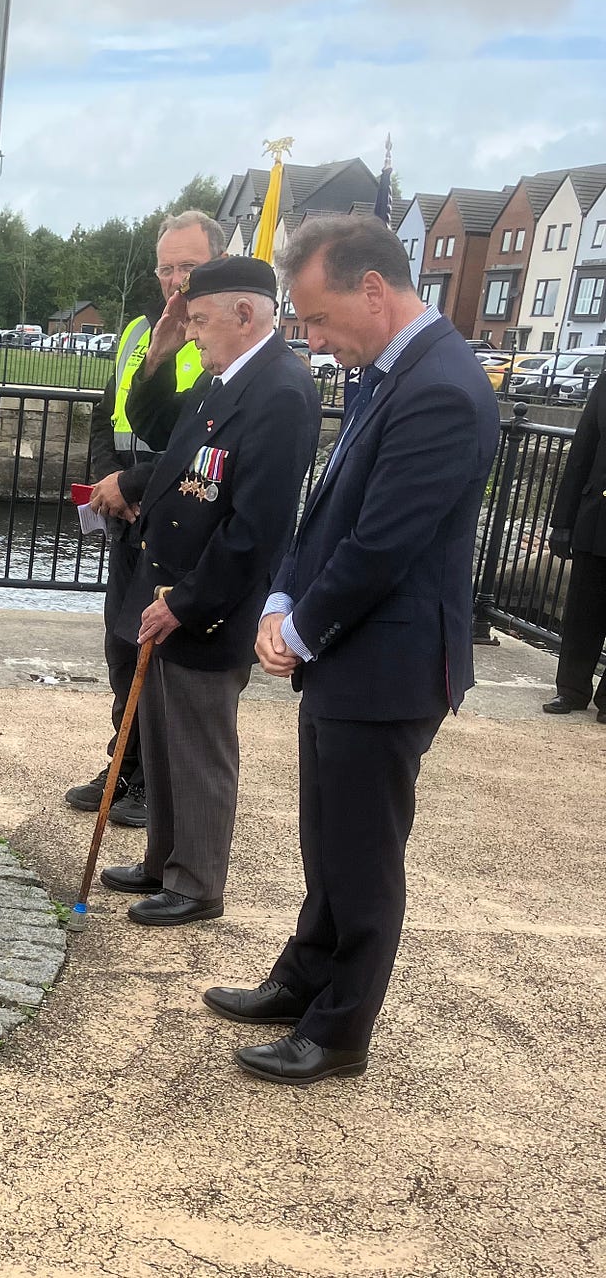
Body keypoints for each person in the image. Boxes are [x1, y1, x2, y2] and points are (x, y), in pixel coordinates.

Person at [211, 215, 499, 1086]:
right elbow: (328, 507)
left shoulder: (443, 388)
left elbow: (382, 545)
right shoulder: (392, 373)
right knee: (328, 839)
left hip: (392, 665)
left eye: (321, 319)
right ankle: (306, 978)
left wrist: (296, 633)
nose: (315, 340)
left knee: (364, 855)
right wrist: (283, 595)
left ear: (374, 289)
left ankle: (340, 1030)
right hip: (354, 656)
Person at [101, 255, 320, 927]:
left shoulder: (280, 392)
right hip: (170, 589)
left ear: (245, 314)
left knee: (199, 747)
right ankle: (164, 860)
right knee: (164, 737)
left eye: (200, 319)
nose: (193, 331)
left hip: (209, 604)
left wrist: (189, 601)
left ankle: (198, 883)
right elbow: (167, 449)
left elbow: (255, 529)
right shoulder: (225, 380)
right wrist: (161, 353)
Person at [68, 211, 223, 821]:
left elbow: (196, 443)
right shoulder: (139, 331)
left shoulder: (217, 342)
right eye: (167, 267)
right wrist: (111, 481)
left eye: (188, 266)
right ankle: (124, 765)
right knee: (120, 643)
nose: (175, 279)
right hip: (128, 515)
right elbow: (110, 413)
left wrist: (134, 484)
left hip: (180, 514)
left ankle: (153, 780)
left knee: (157, 653)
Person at [542, 369, 606, 723]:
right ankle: (571, 689)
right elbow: (581, 453)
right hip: (597, 517)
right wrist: (562, 523)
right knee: (583, 609)